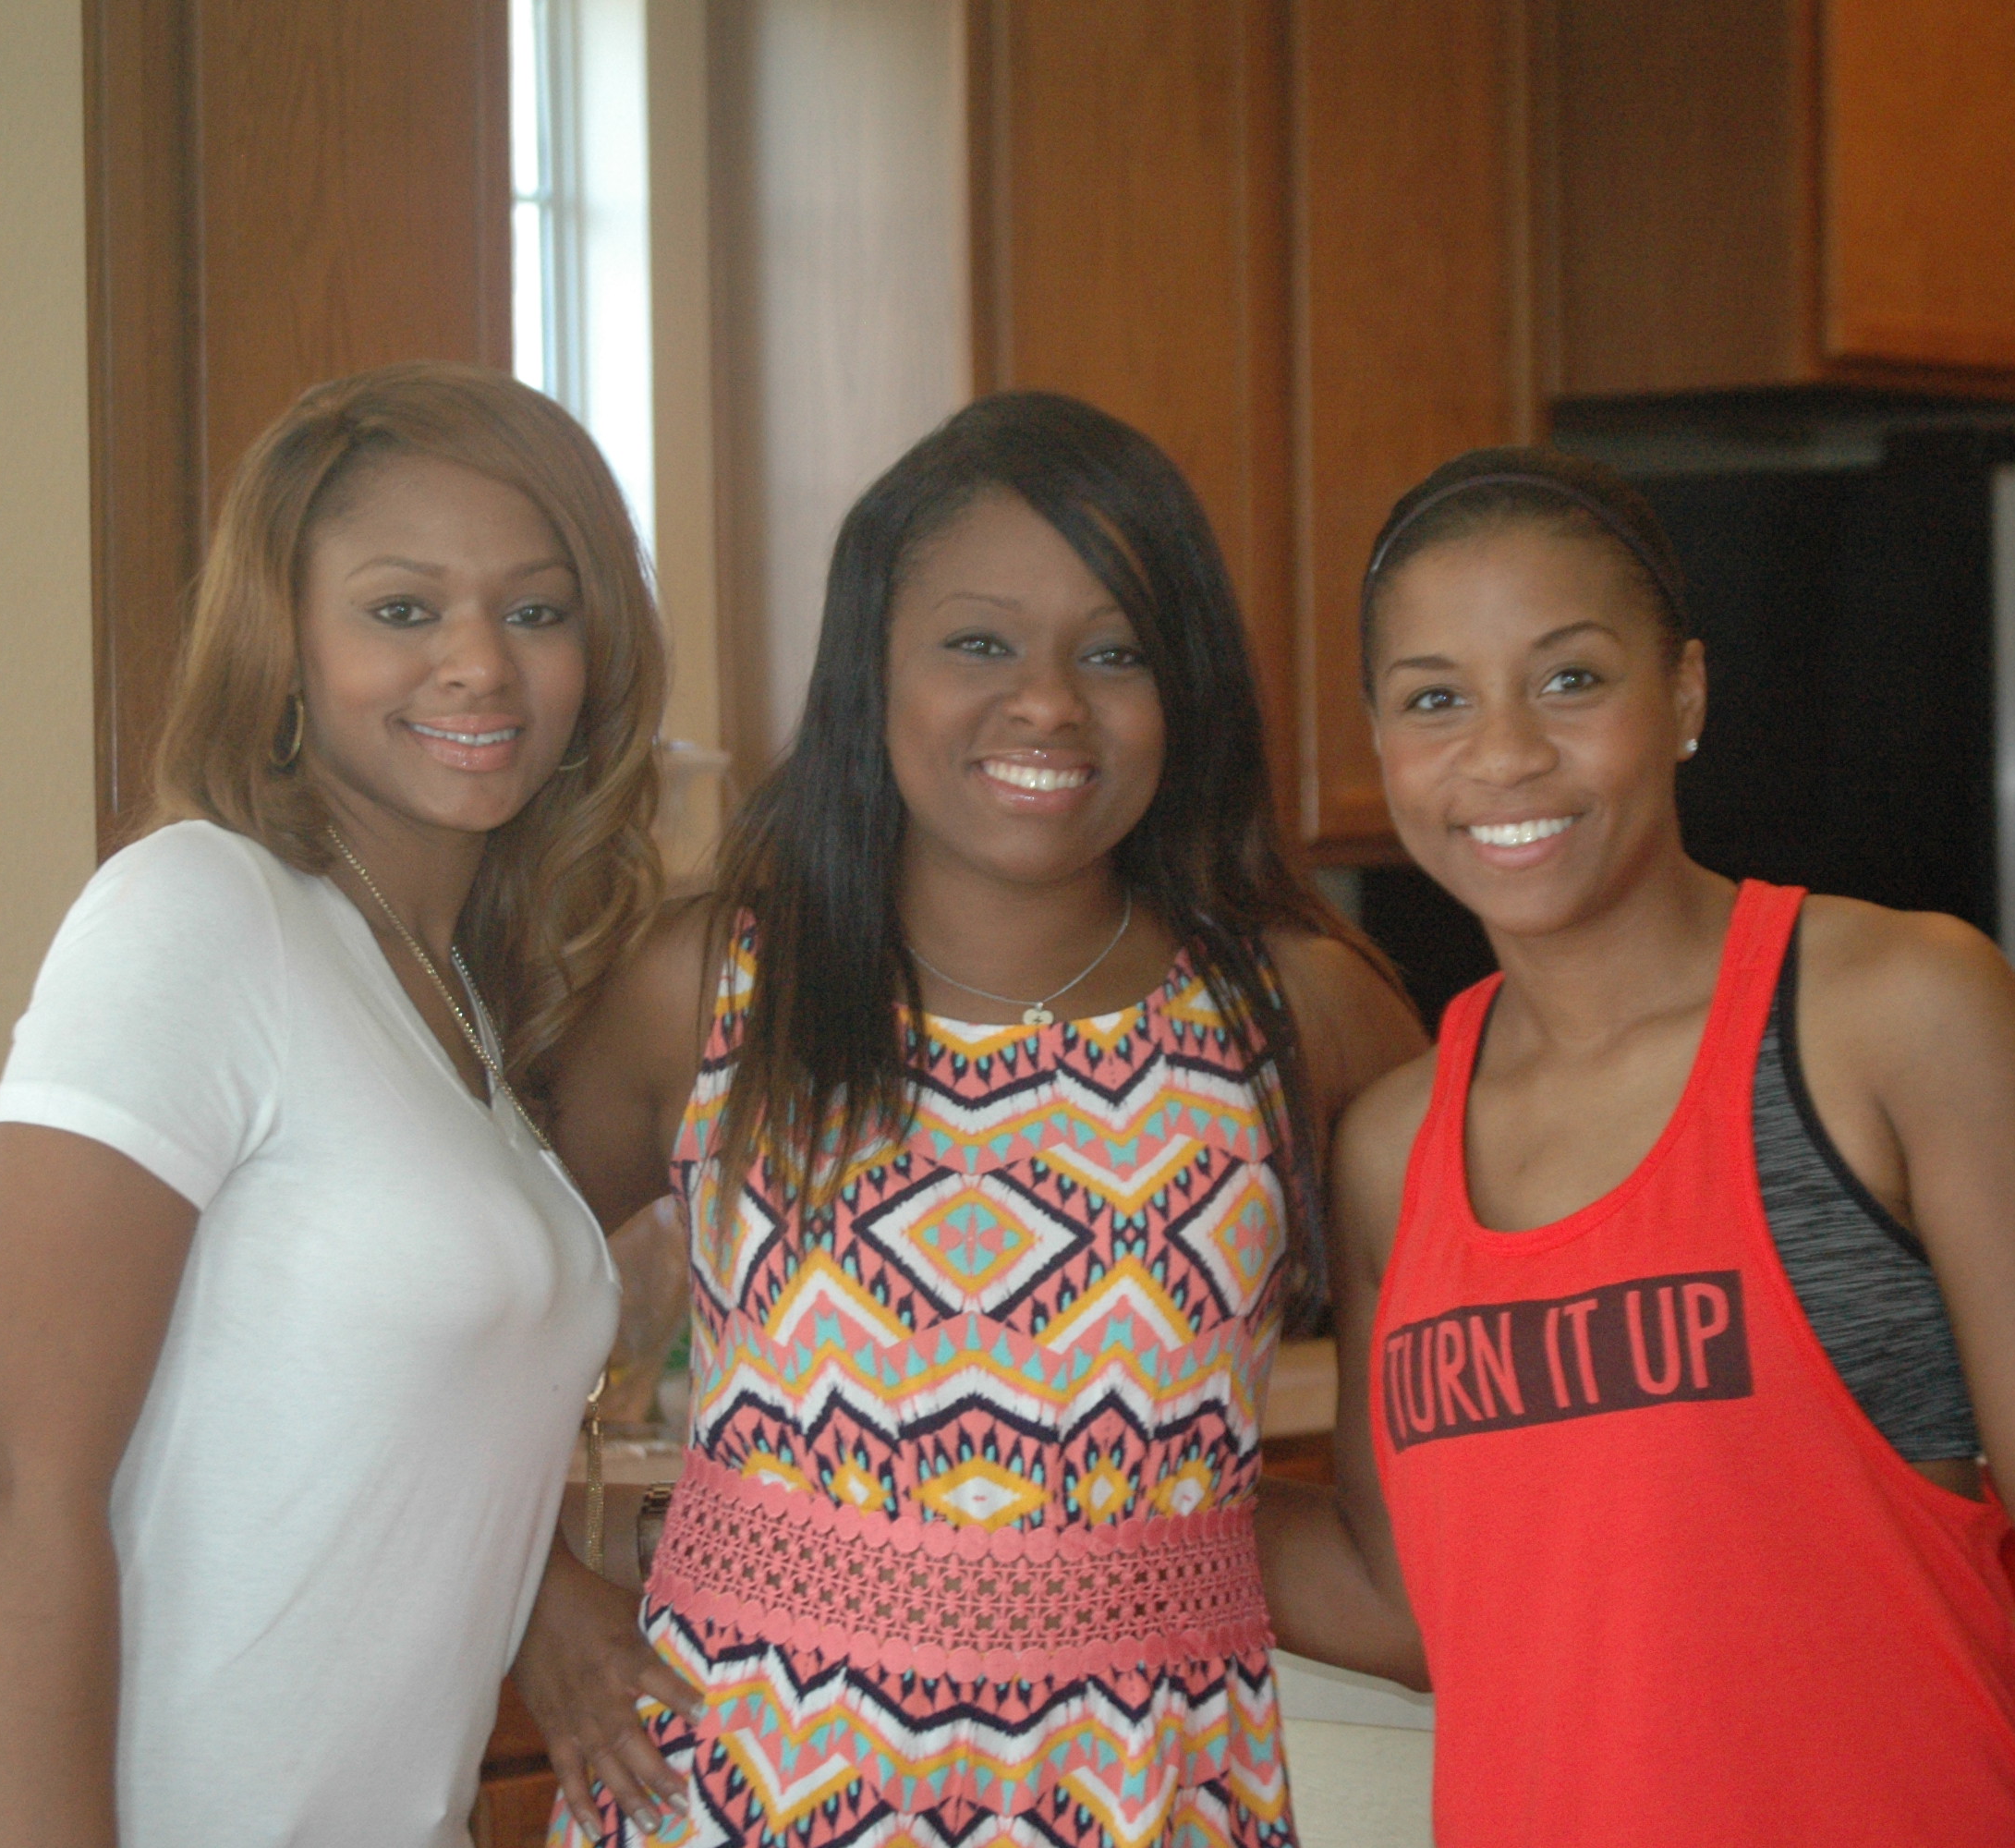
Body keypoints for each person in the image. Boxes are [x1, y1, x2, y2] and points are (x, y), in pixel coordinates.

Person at [519, 392, 1427, 1847]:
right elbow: (445, 1321)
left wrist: (1112, 1549)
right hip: (741, 1788)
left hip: (1141, 1797)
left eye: (1116, 652)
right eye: (980, 644)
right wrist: (539, 1595)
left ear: (1188, 687)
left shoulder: (1303, 1014)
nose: (1050, 703)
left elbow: (1441, 1508)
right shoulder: (710, 986)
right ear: (869, 670)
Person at [1261, 445, 2015, 1845]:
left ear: (1684, 694)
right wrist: (1073, 1487)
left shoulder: (1895, 1016)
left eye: (1571, 679)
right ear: (1379, 741)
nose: (1504, 752)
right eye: (1436, 698)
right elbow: (1405, 1605)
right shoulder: (1396, 1146)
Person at [0, 360, 666, 1848]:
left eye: (538, 611)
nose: (479, 665)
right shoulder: (198, 909)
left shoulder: (458, 993)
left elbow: (374, 1415)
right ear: (283, 645)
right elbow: (33, 1485)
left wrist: (543, 1590)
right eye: (402, 609)